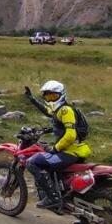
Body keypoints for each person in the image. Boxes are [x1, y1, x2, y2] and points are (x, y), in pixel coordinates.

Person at [23, 80, 92, 210]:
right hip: (74, 151)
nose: (50, 99)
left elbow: (70, 135)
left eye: (53, 96)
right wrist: (32, 99)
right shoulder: (59, 110)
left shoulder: (66, 110)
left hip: (69, 152)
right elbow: (48, 112)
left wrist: (56, 148)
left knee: (32, 162)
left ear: (62, 95)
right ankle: (79, 214)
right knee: (50, 164)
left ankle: (53, 198)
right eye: (47, 96)